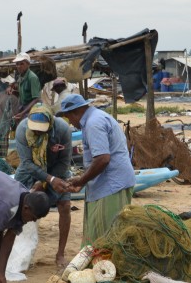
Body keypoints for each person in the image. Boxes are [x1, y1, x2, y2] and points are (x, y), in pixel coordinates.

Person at [56, 94, 136, 245]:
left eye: (69, 118)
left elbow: (103, 159)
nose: (71, 123)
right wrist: (83, 181)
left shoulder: (93, 123)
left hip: (111, 185)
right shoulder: (96, 118)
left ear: (75, 112)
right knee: (103, 233)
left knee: (105, 238)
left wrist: (82, 180)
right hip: (111, 183)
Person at [13, 103, 74, 266]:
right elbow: (26, 163)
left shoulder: (63, 129)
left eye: (42, 129)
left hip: (56, 170)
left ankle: (60, 253)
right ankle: (14, 251)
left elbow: (64, 161)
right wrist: (43, 180)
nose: (38, 132)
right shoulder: (22, 130)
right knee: (15, 205)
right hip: (29, 170)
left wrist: (51, 180)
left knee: (65, 205)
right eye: (35, 129)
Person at [13, 52, 40, 120]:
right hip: (24, 106)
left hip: (32, 108)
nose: (19, 66)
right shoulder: (20, 76)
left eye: (22, 64)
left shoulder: (32, 77)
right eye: (17, 64)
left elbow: (36, 99)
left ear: (28, 64)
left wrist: (23, 113)